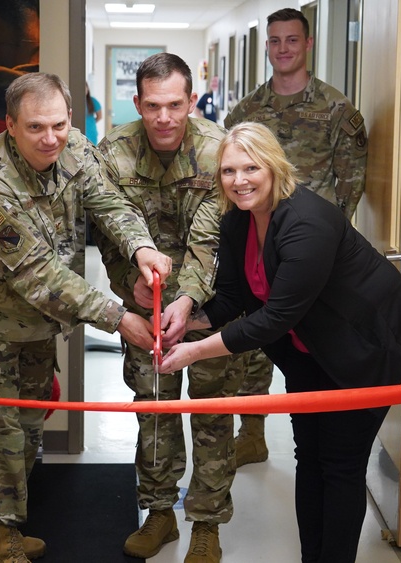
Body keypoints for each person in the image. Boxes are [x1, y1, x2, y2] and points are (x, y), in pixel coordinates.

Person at [158, 122, 401, 563]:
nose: (239, 180)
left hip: (364, 349)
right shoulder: (237, 223)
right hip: (308, 352)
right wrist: (186, 320)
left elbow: (274, 317)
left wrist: (193, 352)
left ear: (274, 166)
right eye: (228, 171)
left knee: (340, 463)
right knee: (311, 455)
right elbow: (232, 299)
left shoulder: (307, 221)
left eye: (250, 167)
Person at [0, 72, 172, 563]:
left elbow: (110, 202)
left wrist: (141, 246)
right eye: (35, 128)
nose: (50, 138)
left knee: (27, 429)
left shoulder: (75, 148)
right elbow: (36, 272)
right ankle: (1, 544)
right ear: (9, 125)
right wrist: (117, 318)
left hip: (38, 325)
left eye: (59, 124)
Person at [94, 53, 245, 563]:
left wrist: (188, 300)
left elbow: (213, 243)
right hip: (143, 304)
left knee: (209, 413)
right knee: (153, 408)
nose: (164, 117)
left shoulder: (215, 151)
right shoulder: (113, 151)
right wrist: (126, 283)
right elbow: (106, 233)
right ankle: (159, 513)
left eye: (174, 105)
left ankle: (206, 522)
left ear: (192, 101)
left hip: (209, 305)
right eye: (153, 105)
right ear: (137, 103)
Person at [223, 7, 370, 467]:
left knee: (310, 339)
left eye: (292, 39)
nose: (282, 48)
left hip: (311, 250)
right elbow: (232, 180)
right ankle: (252, 431)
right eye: (275, 40)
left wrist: (321, 247)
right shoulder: (247, 110)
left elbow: (350, 184)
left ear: (308, 45)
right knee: (253, 338)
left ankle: (322, 432)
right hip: (258, 242)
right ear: (266, 46)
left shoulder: (337, 110)